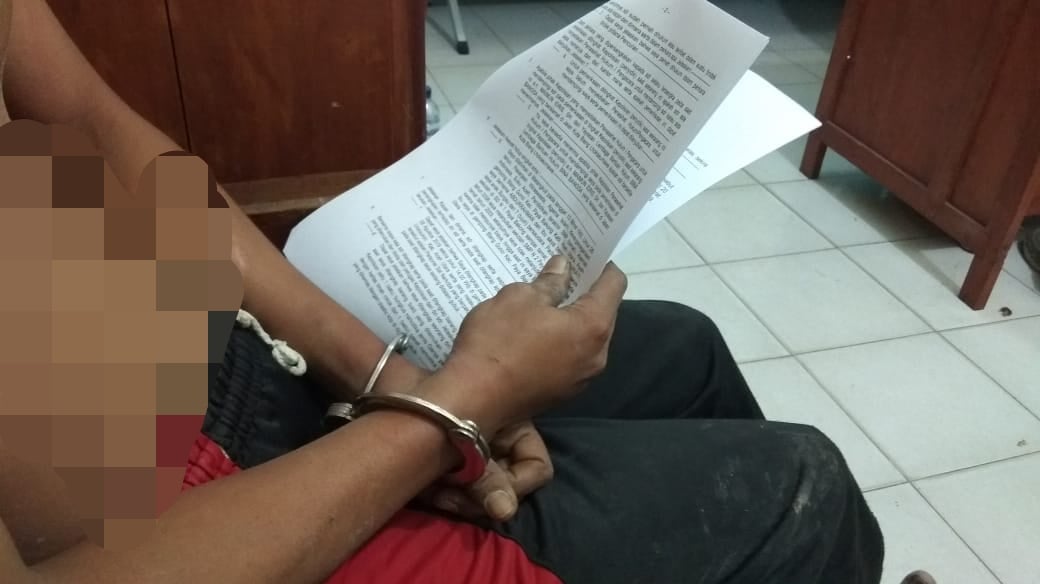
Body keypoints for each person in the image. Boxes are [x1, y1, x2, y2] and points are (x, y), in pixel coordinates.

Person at [0, 0, 935, 582]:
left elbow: (95, 134)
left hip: (220, 356)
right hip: (179, 523)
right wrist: (454, 409)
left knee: (685, 347)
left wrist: (383, 374)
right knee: (802, 487)